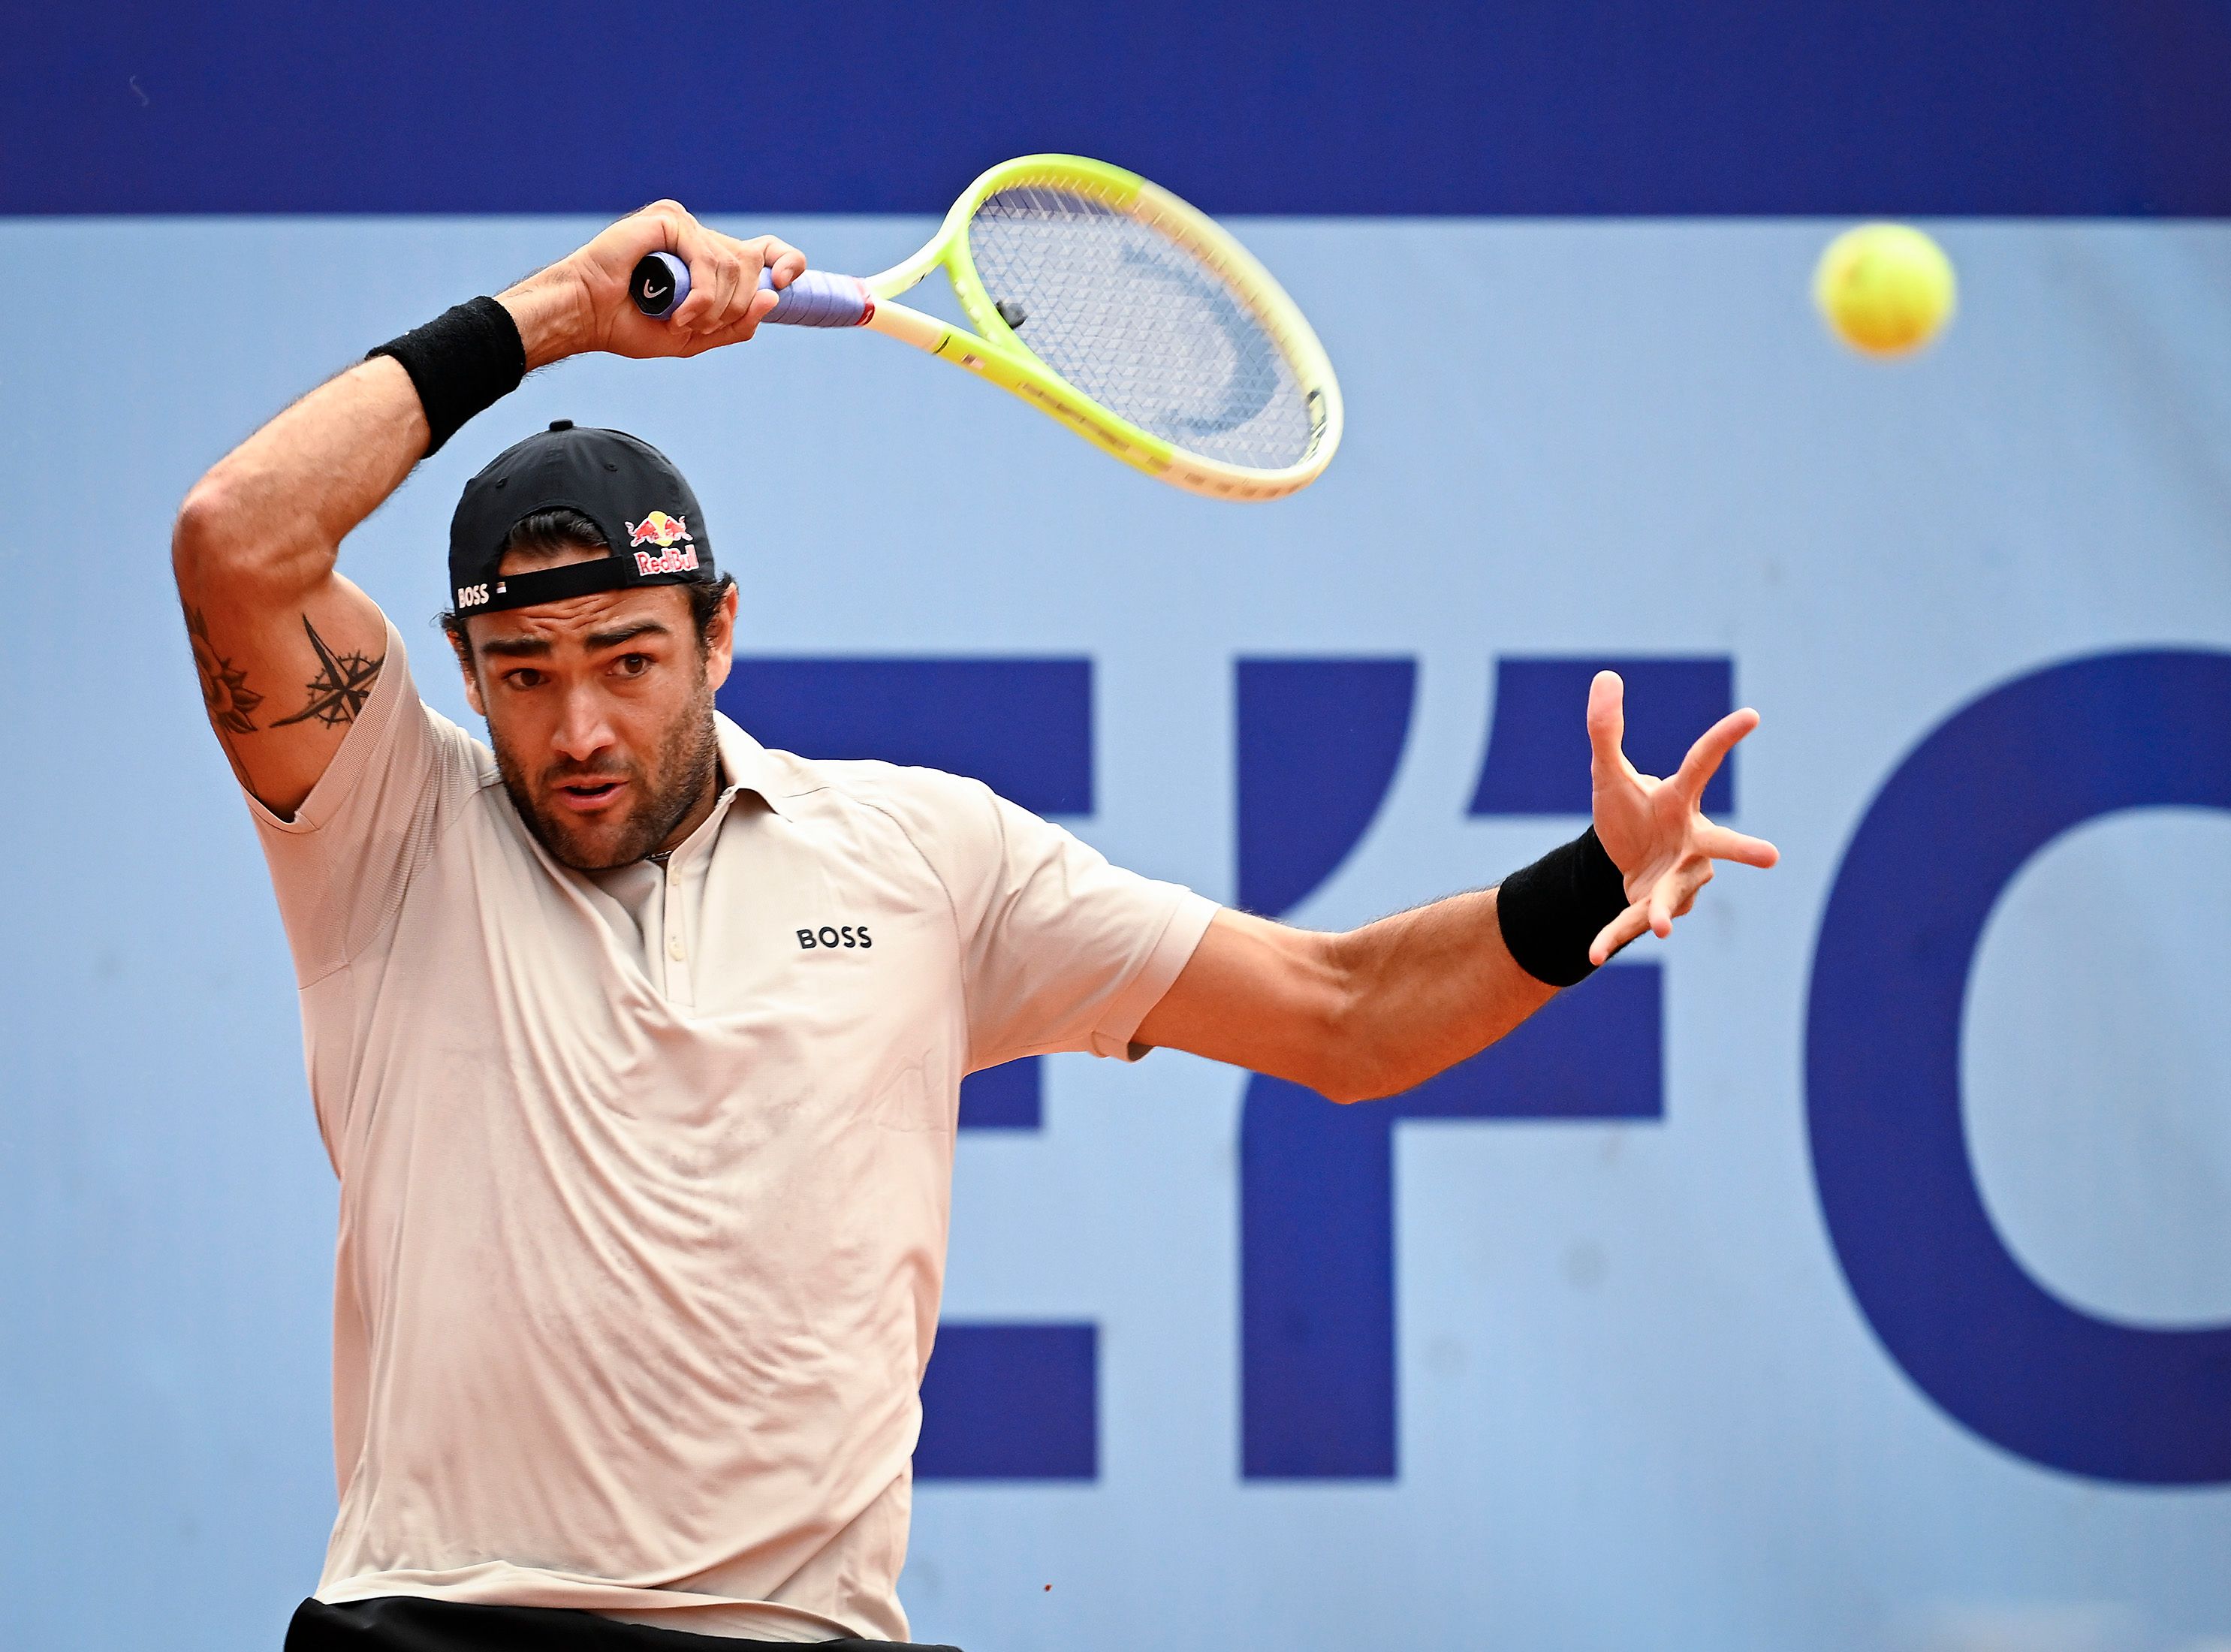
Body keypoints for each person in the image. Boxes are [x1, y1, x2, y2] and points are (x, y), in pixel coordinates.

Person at [172, 203, 1779, 1651]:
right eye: (525, 673)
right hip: (443, 1630)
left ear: (721, 633)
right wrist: (566, 311)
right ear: (463, 672)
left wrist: (1587, 885)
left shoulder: (923, 858)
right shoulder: (390, 828)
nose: (578, 721)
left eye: (626, 657)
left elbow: (1340, 1014)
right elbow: (238, 533)